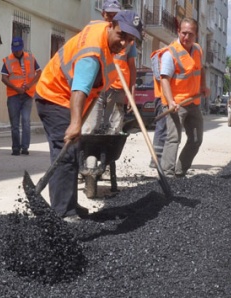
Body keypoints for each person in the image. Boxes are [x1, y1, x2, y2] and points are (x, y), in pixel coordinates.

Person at [34, 11, 143, 221]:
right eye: (121, 35)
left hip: (64, 95)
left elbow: (94, 88)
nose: (124, 43)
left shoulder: (106, 38)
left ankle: (70, 204)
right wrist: (76, 124)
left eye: (130, 40)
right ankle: (63, 213)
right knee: (64, 153)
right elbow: (80, 89)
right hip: (54, 96)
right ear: (111, 24)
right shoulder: (92, 53)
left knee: (73, 153)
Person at [155, 17, 210, 177]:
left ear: (196, 35)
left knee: (196, 139)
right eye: (184, 33)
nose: (186, 37)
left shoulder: (198, 50)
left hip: (192, 102)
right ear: (178, 31)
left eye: (190, 34)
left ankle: (180, 171)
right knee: (173, 138)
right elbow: (164, 79)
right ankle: (167, 174)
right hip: (175, 104)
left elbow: (202, 69)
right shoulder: (170, 53)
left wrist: (203, 86)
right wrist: (171, 101)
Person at [82, 0, 137, 135]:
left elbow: (132, 67)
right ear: (103, 14)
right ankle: (87, 152)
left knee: (113, 129)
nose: (111, 18)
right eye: (109, 15)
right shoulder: (94, 34)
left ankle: (107, 154)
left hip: (118, 88)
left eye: (115, 15)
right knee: (91, 125)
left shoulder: (128, 39)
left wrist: (131, 94)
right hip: (98, 86)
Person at [1, 37, 42, 156]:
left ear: (22, 48)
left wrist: (30, 85)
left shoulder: (30, 57)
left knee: (25, 121)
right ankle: (15, 148)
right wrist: (16, 89)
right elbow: (3, 78)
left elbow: (39, 72)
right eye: (15, 50)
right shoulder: (8, 60)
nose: (17, 52)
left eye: (18, 49)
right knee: (14, 124)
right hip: (14, 96)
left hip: (27, 95)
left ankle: (25, 148)